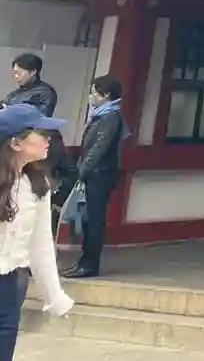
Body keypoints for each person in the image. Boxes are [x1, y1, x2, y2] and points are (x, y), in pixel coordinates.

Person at [0, 103, 74, 359]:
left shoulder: (37, 184)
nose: (48, 139)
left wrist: (55, 297)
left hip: (11, 284)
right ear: (15, 143)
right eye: (41, 133)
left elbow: (41, 245)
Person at [62, 75, 129, 280]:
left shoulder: (110, 117)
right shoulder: (100, 115)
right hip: (94, 172)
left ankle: (89, 264)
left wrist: (81, 172)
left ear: (106, 95)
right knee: (88, 219)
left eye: (94, 93)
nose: (91, 96)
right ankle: (84, 261)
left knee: (94, 220)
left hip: (101, 174)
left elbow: (98, 148)